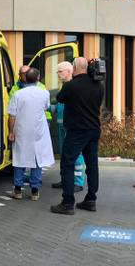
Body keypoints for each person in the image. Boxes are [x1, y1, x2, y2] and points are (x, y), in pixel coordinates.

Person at [50, 57, 104, 215]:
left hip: (77, 131)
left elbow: (60, 98)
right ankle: (91, 199)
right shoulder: (99, 85)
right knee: (92, 165)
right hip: (94, 130)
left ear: (74, 67)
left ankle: (67, 202)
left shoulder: (71, 85)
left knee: (67, 162)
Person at [7, 68, 54, 201]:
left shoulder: (18, 94)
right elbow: (46, 107)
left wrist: (11, 131)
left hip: (21, 130)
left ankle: (17, 190)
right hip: (38, 130)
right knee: (37, 159)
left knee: (19, 159)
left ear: (25, 79)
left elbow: (12, 116)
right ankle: (34, 190)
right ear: (38, 79)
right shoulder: (44, 93)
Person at [50, 61, 85, 193]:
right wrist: (47, 107)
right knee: (65, 155)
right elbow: (60, 107)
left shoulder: (72, 87)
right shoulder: (65, 86)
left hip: (71, 127)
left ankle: (78, 182)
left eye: (60, 71)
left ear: (69, 71)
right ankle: (66, 179)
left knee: (76, 155)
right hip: (62, 126)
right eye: (57, 71)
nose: (58, 74)